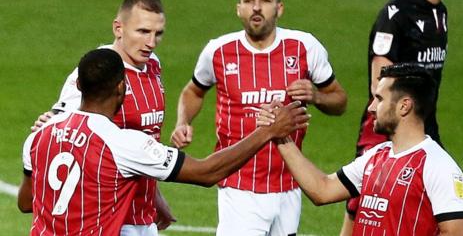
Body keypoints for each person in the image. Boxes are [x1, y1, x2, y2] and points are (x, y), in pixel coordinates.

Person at [17, 49, 308, 236]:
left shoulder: (39, 135)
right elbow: (207, 172)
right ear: (122, 87)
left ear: (78, 85)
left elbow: (26, 202)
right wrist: (267, 132)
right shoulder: (123, 143)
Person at [170, 0, 347, 236]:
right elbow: (193, 91)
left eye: (265, 0)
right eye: (249, 0)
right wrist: (183, 122)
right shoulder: (218, 51)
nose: (256, 7)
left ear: (279, 8)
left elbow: (339, 100)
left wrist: (317, 97)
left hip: (289, 184)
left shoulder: (304, 47)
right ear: (239, 8)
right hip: (239, 186)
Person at [259, 63, 463, 235]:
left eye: (379, 99)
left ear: (404, 106)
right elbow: (322, 190)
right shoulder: (376, 156)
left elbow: (455, 232)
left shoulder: (437, 165)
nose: (370, 108)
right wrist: (280, 136)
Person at [30, 0, 175, 234]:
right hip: (110, 218)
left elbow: (142, 144)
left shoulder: (152, 65)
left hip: (143, 214)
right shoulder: (98, 74)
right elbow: (63, 131)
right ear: (119, 28)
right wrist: (48, 122)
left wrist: (155, 199)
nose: (151, 42)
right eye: (142, 32)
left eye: (158, 33)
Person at [346, 0, 461, 233]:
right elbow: (379, 81)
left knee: (432, 203)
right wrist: (393, 127)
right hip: (389, 123)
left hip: (422, 123)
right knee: (363, 200)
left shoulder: (439, 12)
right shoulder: (396, 14)